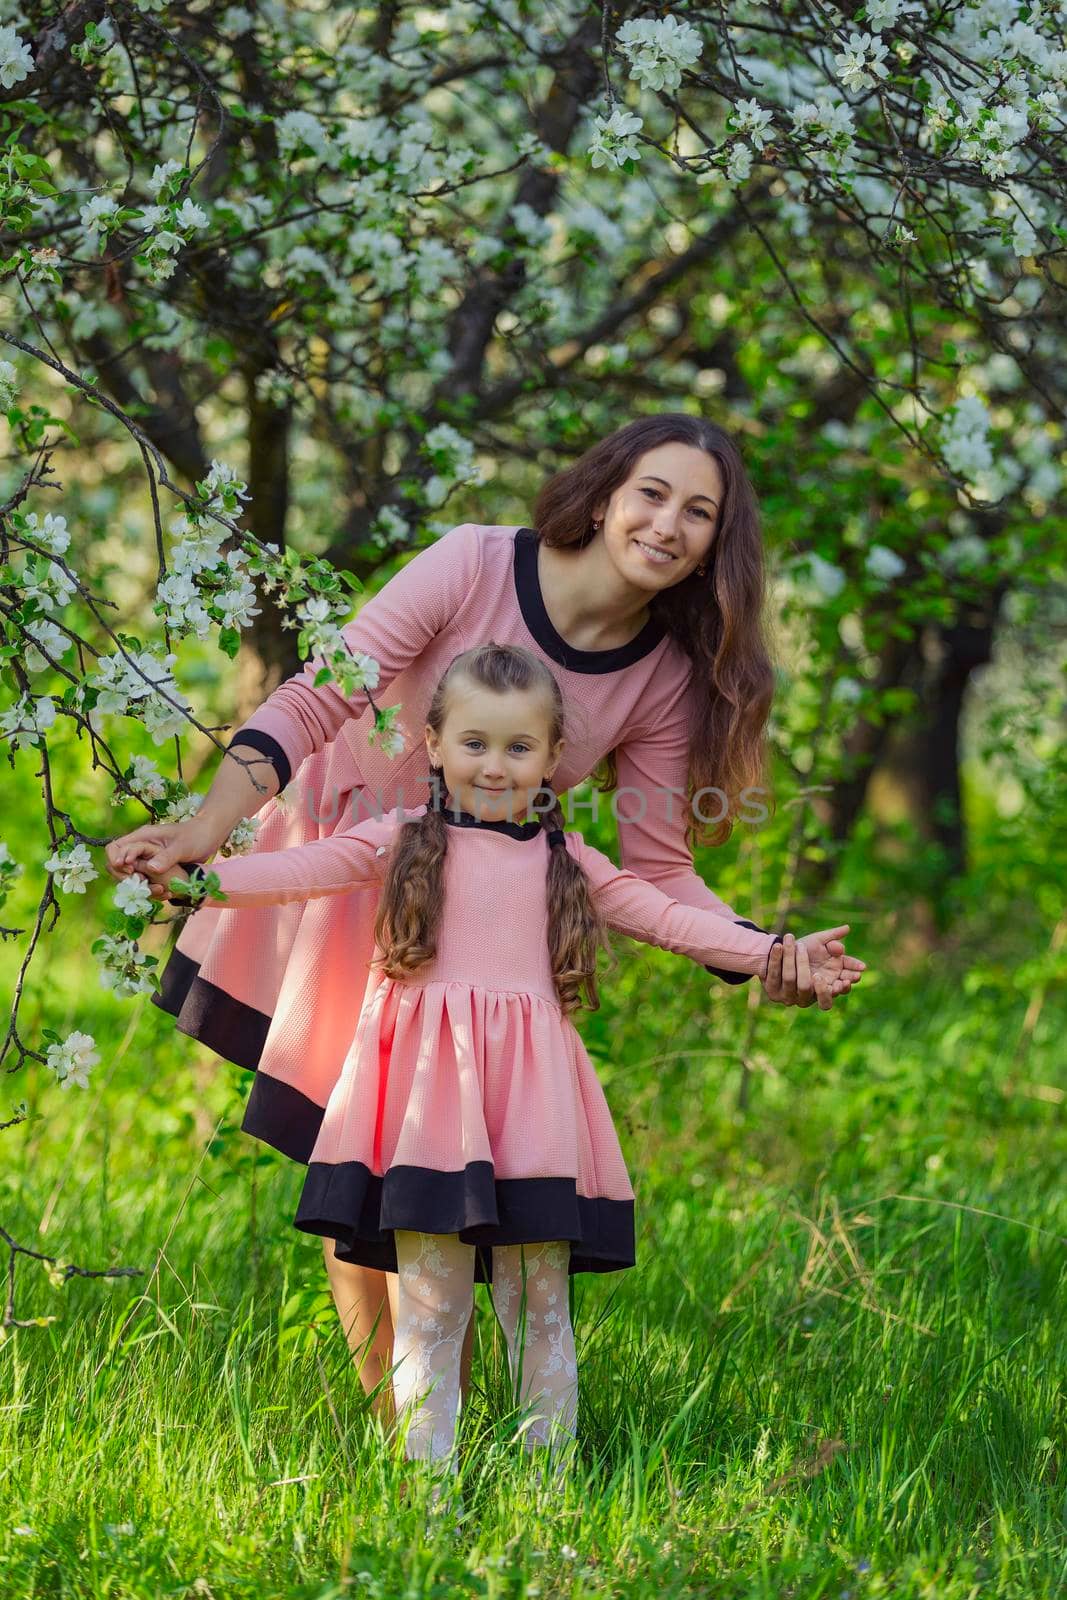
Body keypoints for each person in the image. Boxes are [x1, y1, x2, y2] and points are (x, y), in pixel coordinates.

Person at [105, 414, 866, 1425]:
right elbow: (322, 693)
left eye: (699, 512)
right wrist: (208, 827)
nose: (667, 523)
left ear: (714, 547)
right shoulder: (470, 563)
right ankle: (408, 1440)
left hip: (465, 906)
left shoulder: (662, 676)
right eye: (652, 493)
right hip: (339, 867)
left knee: (426, 1177)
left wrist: (761, 955)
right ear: (603, 495)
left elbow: (655, 871)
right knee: (372, 1170)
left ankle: (446, 1436)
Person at [128, 643, 865, 1502]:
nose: (494, 765)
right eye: (474, 743)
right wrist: (200, 880)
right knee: (432, 1308)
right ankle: (424, 1500)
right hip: (424, 1116)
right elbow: (302, 871)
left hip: (535, 1115)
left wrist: (776, 951)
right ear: (434, 744)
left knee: (537, 1309)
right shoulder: (399, 841)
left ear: (554, 760)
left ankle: (543, 1501)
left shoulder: (567, 862)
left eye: (519, 748)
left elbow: (668, 918)